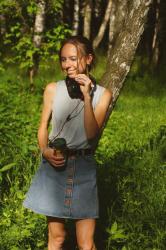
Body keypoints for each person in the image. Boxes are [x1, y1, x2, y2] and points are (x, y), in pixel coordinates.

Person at [23, 35, 112, 250]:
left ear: (88, 59)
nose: (67, 65)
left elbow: (91, 135)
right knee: (57, 238)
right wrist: (44, 150)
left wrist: (87, 97)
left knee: (86, 244)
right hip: (55, 166)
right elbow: (43, 126)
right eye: (63, 59)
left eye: (73, 58)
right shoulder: (53, 89)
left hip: (83, 168)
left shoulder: (103, 94)